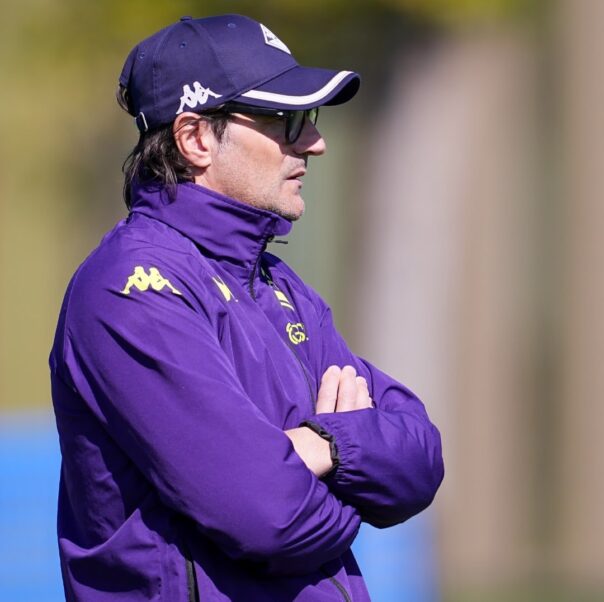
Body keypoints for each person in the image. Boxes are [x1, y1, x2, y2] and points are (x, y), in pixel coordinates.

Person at [49, 14, 444, 602]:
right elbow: (272, 518)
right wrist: (349, 472)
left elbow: (420, 460)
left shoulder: (279, 284)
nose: (314, 143)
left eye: (309, 120)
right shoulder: (131, 289)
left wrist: (323, 446)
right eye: (286, 121)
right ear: (195, 139)